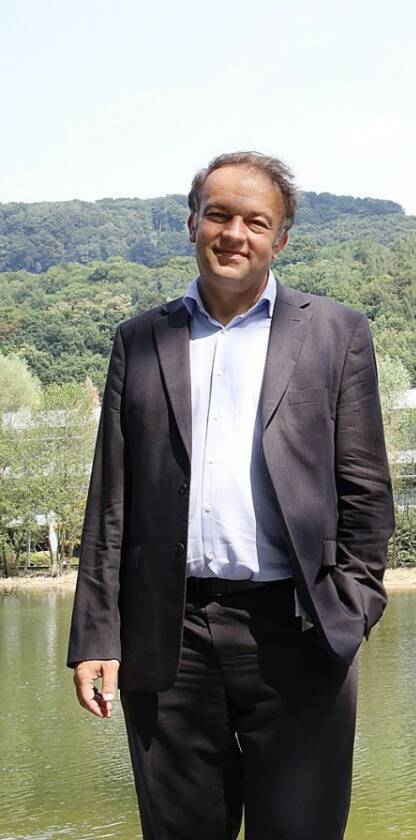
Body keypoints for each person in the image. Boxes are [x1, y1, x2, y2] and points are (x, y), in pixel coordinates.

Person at [67, 151, 394, 839]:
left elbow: (367, 493)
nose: (233, 233)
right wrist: (97, 633)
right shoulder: (141, 340)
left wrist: (352, 606)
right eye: (218, 214)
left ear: (282, 238)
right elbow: (111, 502)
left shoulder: (336, 335)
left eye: (255, 221)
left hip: (300, 633)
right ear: (192, 223)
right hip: (167, 640)